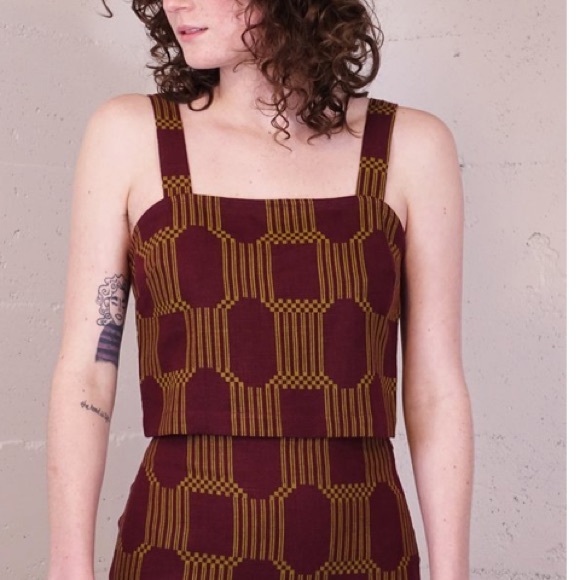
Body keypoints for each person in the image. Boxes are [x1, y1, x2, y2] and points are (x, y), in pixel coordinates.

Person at [47, 0, 474, 578]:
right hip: (178, 546)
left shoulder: (411, 147)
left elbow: (435, 390)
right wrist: (68, 567)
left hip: (363, 551)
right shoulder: (128, 136)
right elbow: (88, 370)